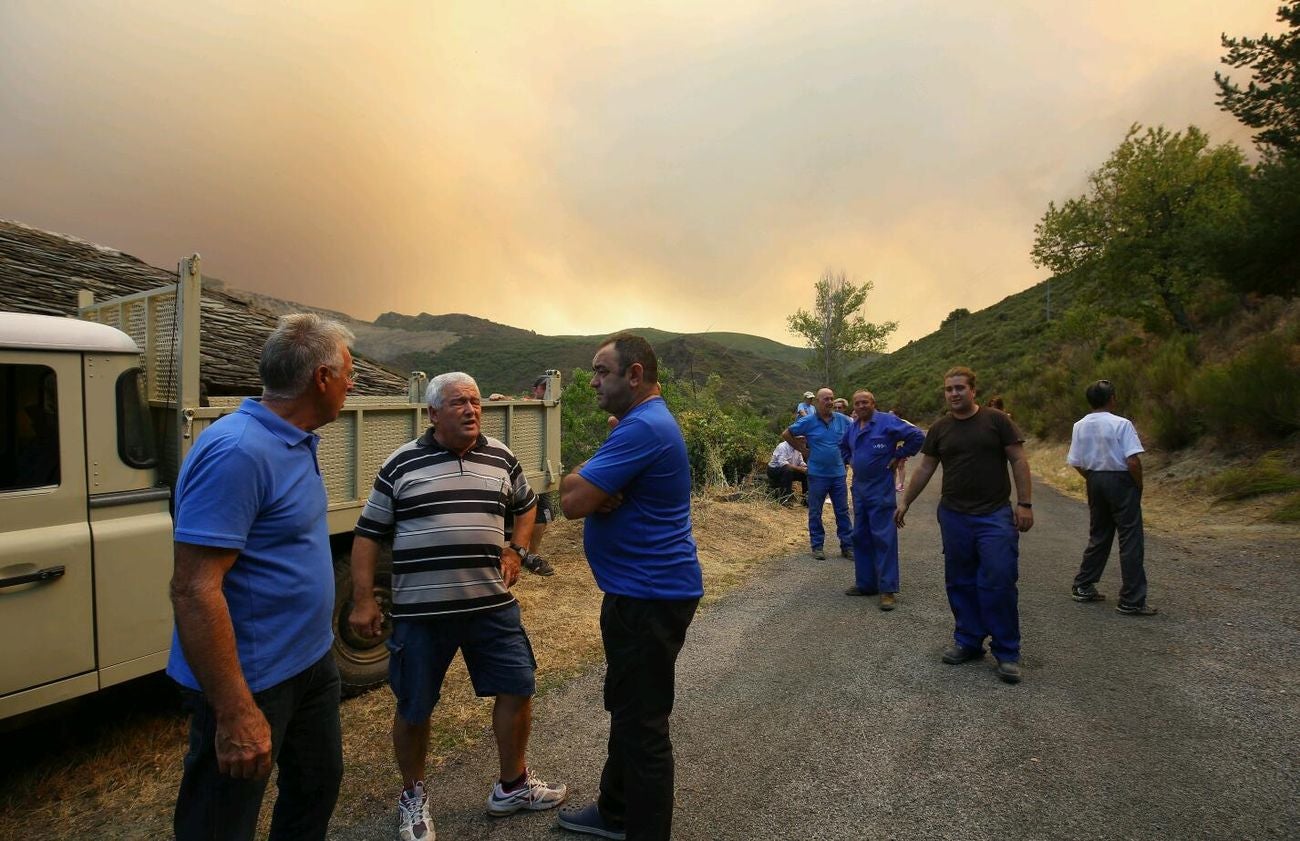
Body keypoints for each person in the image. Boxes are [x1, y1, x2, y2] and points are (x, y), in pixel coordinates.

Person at [350, 372, 567, 841]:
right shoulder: (400, 465)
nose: (471, 410)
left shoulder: (501, 457)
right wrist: (363, 599)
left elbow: (528, 504)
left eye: (475, 401)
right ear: (432, 413)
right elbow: (368, 535)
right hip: (421, 615)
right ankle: (413, 796)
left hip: (491, 605)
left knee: (518, 687)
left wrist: (517, 548)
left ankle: (512, 786)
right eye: (458, 403)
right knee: (414, 705)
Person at [167, 313, 353, 840]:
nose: (352, 382)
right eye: (347, 372)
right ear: (321, 379)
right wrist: (235, 712)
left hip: (310, 661)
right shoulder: (238, 451)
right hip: (250, 678)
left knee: (316, 785)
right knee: (222, 819)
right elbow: (193, 588)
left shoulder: (295, 437)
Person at [557, 333, 703, 841]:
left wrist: (584, 483)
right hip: (639, 593)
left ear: (634, 375)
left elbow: (571, 499)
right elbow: (587, 495)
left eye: (602, 371)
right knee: (626, 706)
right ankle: (614, 812)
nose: (593, 381)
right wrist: (599, 487)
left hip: (649, 597)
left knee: (643, 727)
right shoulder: (637, 425)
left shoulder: (644, 428)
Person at [895, 367, 1034, 684]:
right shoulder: (940, 428)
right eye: (948, 389)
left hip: (994, 514)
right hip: (954, 515)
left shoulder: (996, 421)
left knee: (998, 578)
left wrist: (1024, 503)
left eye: (959, 388)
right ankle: (969, 641)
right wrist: (905, 502)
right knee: (960, 580)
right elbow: (926, 467)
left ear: (973, 390)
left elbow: (1018, 460)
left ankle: (1007, 652)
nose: (954, 393)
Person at [1067, 379, 1157, 615]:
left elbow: (1076, 461)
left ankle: (1083, 585)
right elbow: (1133, 461)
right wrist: (1138, 486)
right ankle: (1131, 599)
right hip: (1120, 480)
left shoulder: (1079, 425)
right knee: (1130, 538)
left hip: (1094, 479)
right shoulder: (1122, 424)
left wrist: (1092, 478)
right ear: (1111, 399)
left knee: (1099, 534)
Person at [840, 390, 924, 610]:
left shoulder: (888, 422)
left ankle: (887, 590)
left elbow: (917, 436)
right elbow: (843, 447)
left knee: (884, 538)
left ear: (873, 403)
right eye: (857, 403)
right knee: (860, 536)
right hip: (859, 489)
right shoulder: (853, 426)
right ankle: (866, 584)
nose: (861, 406)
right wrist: (851, 460)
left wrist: (898, 455)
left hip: (880, 489)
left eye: (865, 402)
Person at [782, 387, 853, 560]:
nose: (829, 402)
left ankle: (848, 546)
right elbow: (786, 433)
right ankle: (817, 546)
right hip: (817, 474)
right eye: (825, 399)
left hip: (838, 474)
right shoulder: (808, 421)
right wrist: (802, 450)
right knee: (815, 511)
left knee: (842, 511)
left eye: (831, 399)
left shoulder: (844, 420)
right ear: (818, 402)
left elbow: (858, 434)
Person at [766, 439, 808, 505]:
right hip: (774, 470)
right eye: (801, 439)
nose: (803, 441)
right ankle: (784, 499)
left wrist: (806, 467)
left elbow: (800, 462)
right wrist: (800, 469)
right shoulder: (782, 446)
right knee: (788, 470)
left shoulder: (798, 448)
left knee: (807, 473)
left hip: (789, 470)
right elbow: (782, 463)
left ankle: (806, 500)